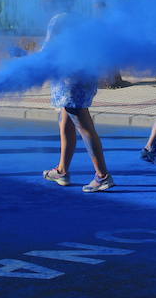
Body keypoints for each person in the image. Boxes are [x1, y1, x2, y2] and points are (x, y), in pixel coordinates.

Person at [41, 12, 115, 192]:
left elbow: (47, 51)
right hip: (84, 77)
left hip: (69, 81)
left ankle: (102, 176)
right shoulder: (82, 19)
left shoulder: (57, 20)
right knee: (65, 122)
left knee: (84, 126)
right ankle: (62, 171)